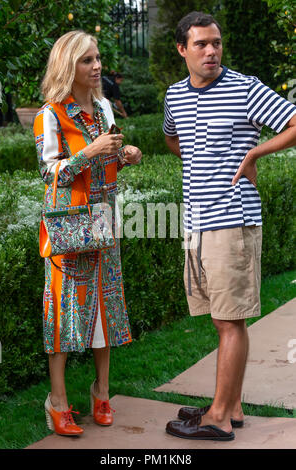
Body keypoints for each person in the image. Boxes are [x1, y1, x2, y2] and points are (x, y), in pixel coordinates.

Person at [164, 11, 296, 441]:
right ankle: (233, 405)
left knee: (230, 319)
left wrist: (254, 154)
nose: (211, 51)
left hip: (233, 220)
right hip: (196, 222)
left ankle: (219, 417)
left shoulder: (245, 87)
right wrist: (201, 162)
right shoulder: (174, 95)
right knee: (224, 320)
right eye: (201, 44)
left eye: (216, 43)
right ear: (182, 49)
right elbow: (172, 136)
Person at [33, 30, 142, 437]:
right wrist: (89, 152)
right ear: (68, 66)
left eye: (97, 58)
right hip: (69, 222)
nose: (97, 66)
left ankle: (102, 391)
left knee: (105, 306)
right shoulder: (51, 114)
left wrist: (126, 155)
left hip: (103, 218)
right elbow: (50, 172)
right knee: (63, 308)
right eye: (87, 60)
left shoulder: (104, 108)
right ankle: (58, 400)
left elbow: (110, 156)